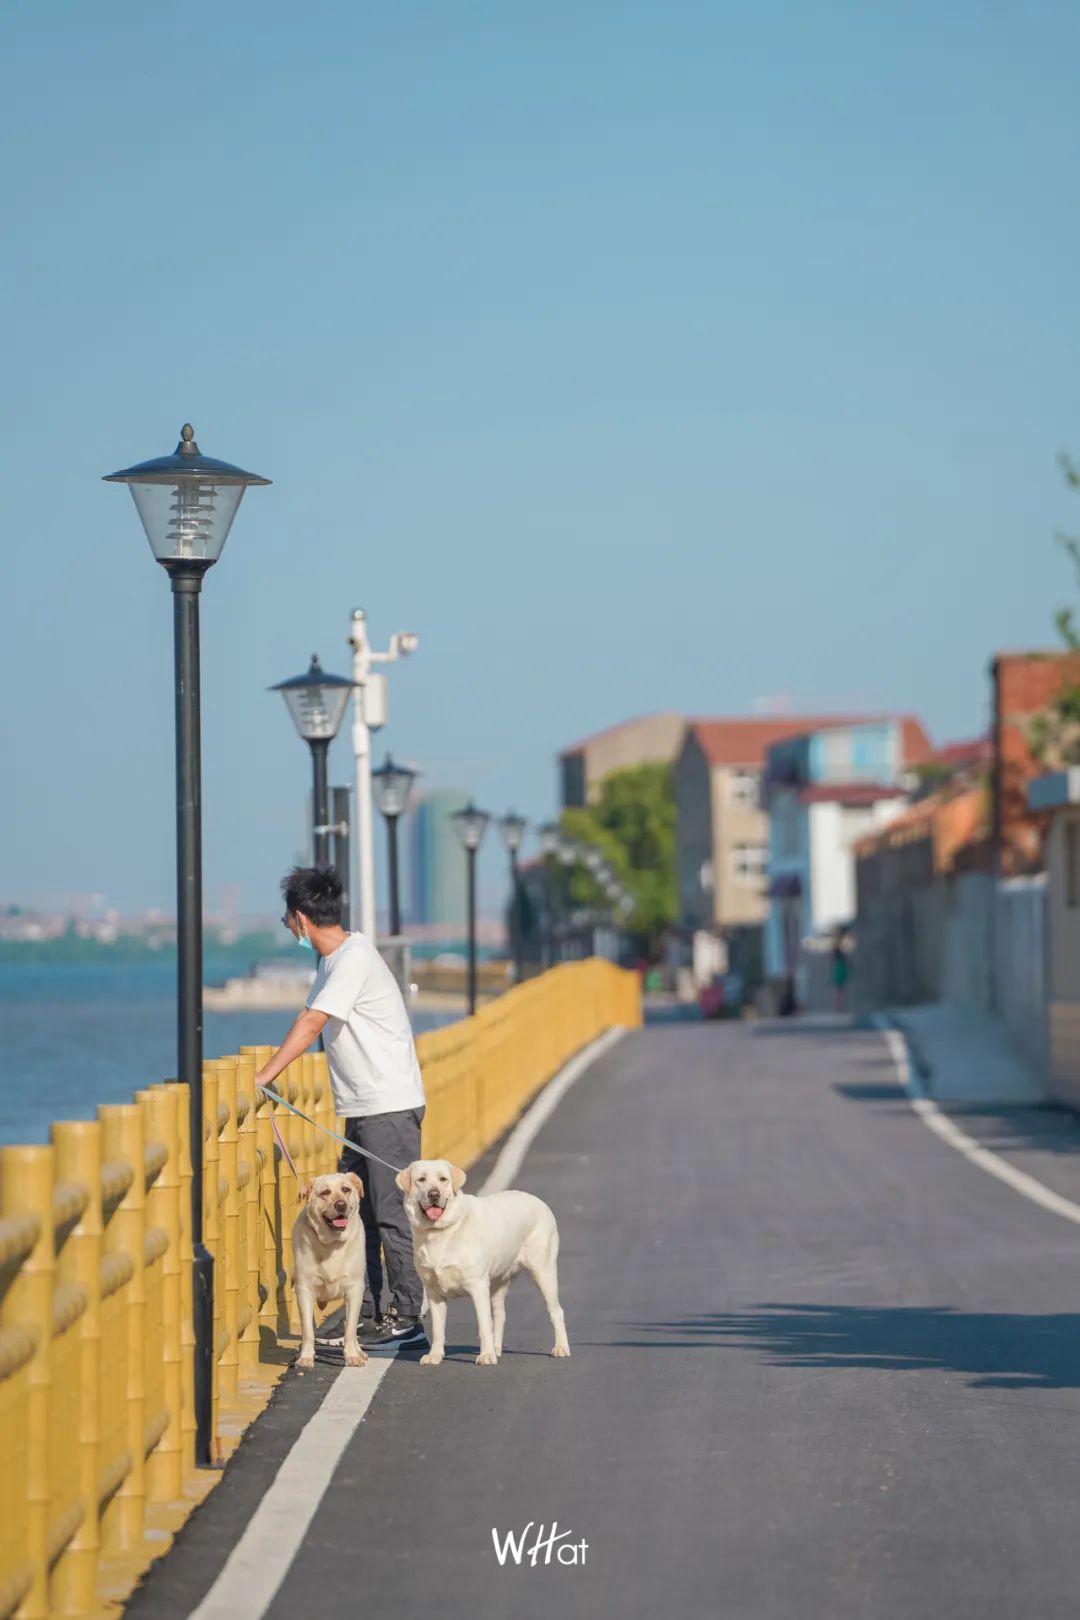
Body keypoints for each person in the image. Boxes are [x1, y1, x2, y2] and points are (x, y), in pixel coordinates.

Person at [253, 865, 427, 1345]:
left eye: (288, 921)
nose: (290, 929)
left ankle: (408, 1317)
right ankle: (366, 1315)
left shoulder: (352, 959)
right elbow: (310, 1020)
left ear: (300, 920)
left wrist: (265, 1076)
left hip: (387, 1105)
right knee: (356, 1211)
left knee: (390, 1212)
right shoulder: (334, 962)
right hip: (364, 1106)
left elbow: (312, 1022)